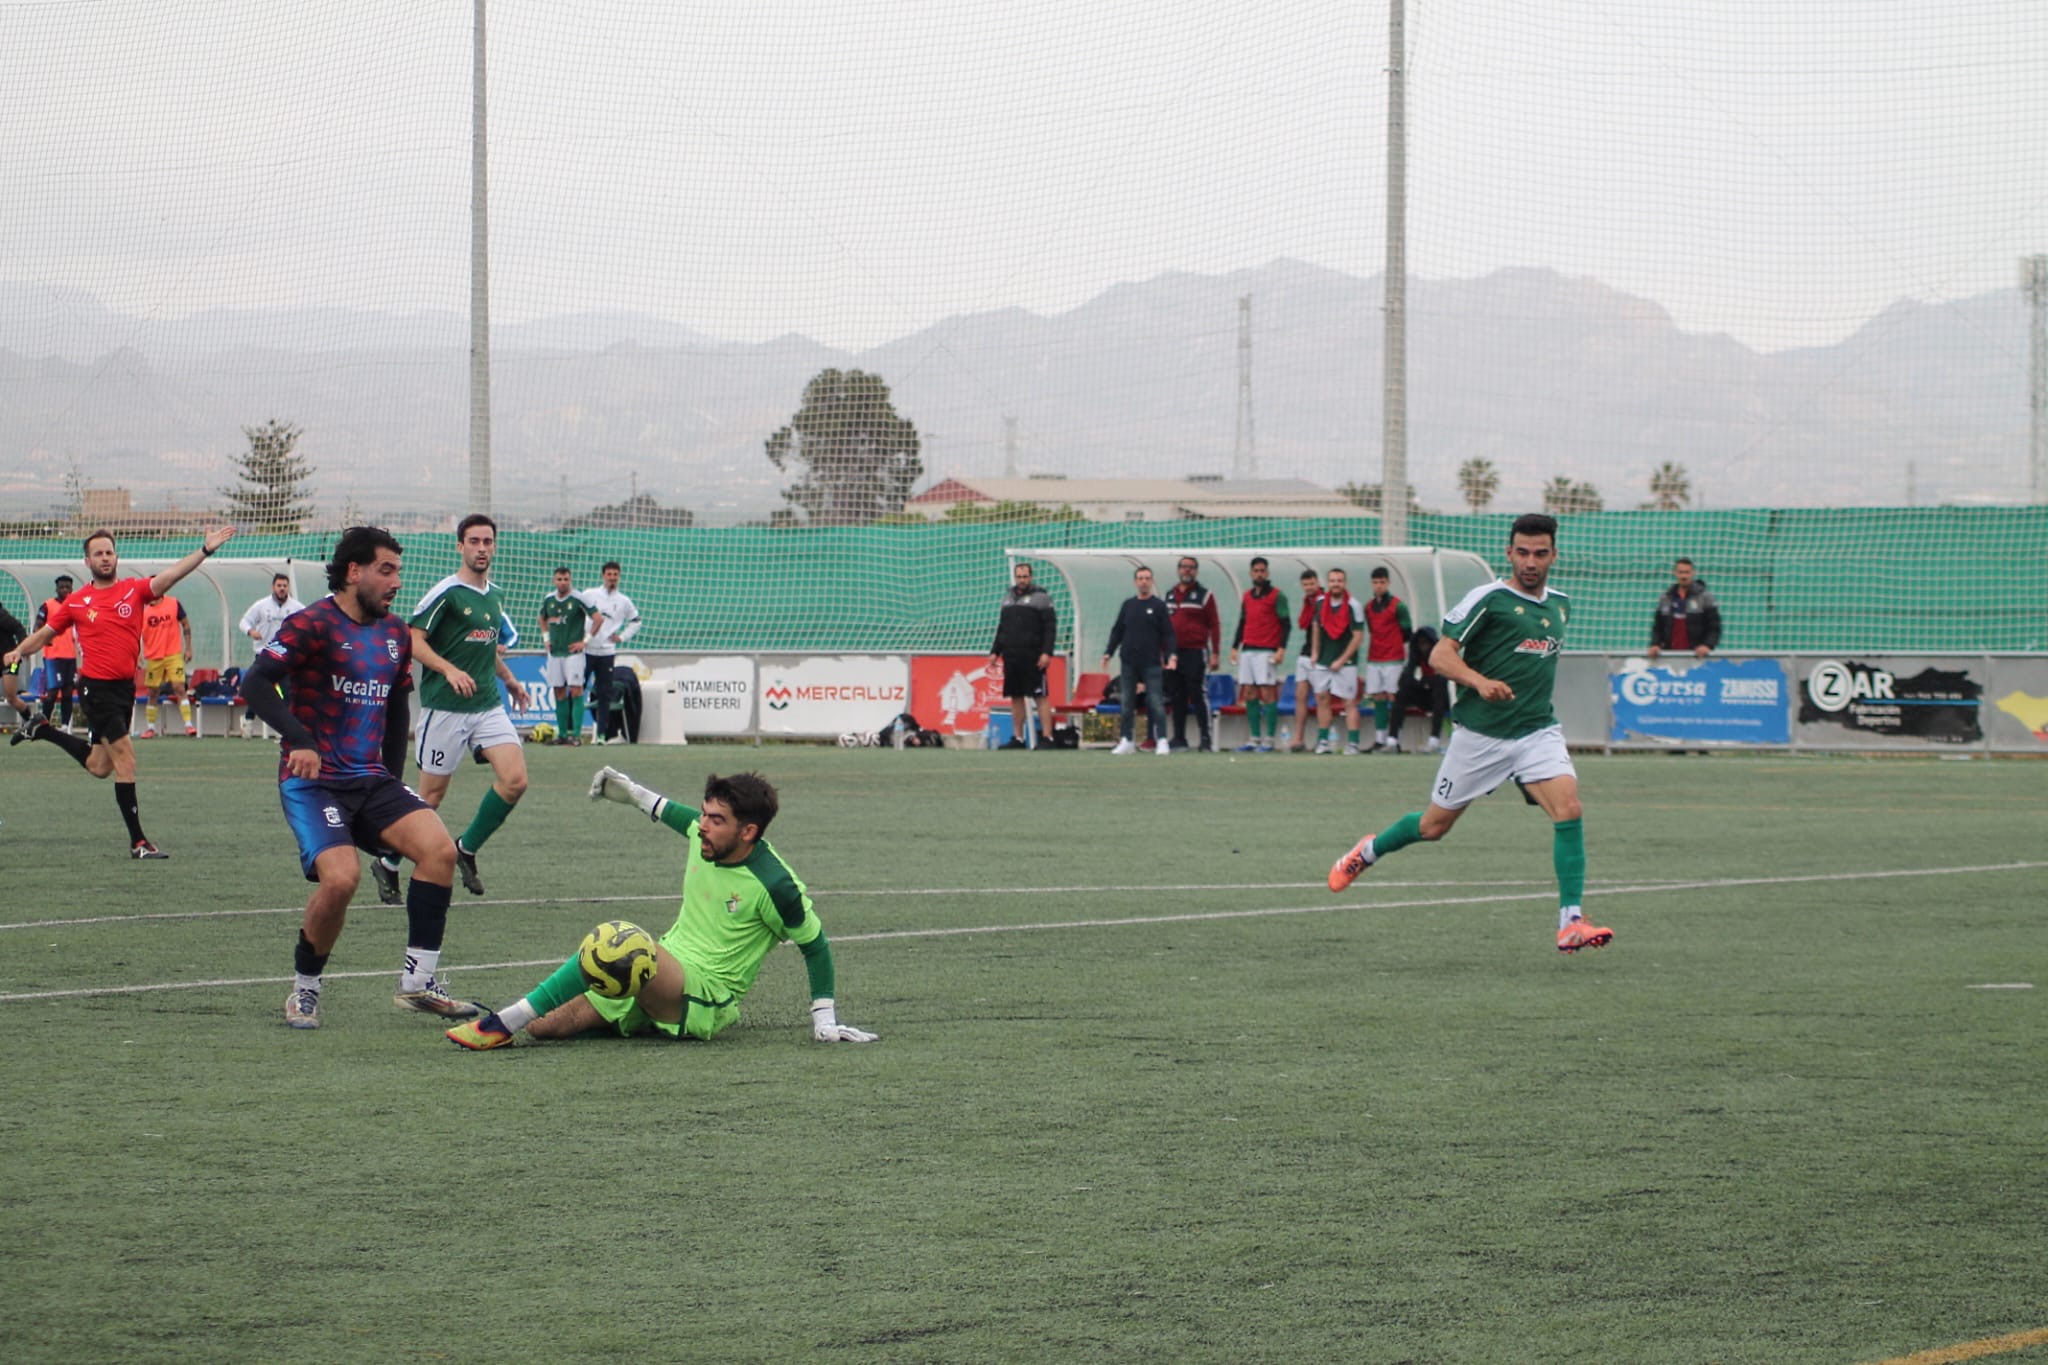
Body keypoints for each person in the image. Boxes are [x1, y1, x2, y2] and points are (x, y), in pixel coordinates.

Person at [1327, 513, 1614, 956]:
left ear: (1554, 555)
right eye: (1523, 552)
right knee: (1433, 827)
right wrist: (1480, 682)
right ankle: (1367, 851)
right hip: (1480, 737)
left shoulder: (1560, 606)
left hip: (1536, 732)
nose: (1530, 562)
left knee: (1569, 809)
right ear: (1509, 553)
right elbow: (1440, 657)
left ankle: (1570, 921)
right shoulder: (1489, 598)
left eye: (1540, 553)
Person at [447, 766, 877, 1050]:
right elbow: (669, 811)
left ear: (748, 832)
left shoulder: (776, 885)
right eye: (704, 815)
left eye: (716, 821)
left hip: (704, 997)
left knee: (622, 941)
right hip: (657, 974)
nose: (702, 826)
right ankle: (630, 1019)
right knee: (544, 1029)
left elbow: (815, 946)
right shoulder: (702, 834)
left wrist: (824, 1018)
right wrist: (631, 793)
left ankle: (503, 1022)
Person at [239, 525, 478, 1029]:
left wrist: (392, 780)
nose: (396, 582)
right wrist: (299, 739)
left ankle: (417, 984)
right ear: (354, 571)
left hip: (372, 780)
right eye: (386, 570)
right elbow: (256, 684)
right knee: (342, 879)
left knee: (440, 852)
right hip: (314, 783)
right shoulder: (311, 624)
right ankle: (305, 989)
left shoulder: (395, 634)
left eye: (398, 571)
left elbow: (396, 710)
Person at [4, 526, 236, 856]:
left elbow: (171, 576)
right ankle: (139, 842)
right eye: (98, 553)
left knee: (100, 767)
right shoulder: (77, 601)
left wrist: (205, 550)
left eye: (109, 552)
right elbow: (44, 635)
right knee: (126, 759)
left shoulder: (133, 590)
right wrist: (19, 651)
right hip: (96, 690)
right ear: (87, 561)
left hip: (123, 690)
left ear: (116, 557)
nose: (104, 558)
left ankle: (43, 729)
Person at [383, 513, 530, 900]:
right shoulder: (446, 593)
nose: (482, 548)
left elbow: (486, 646)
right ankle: (389, 861)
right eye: (474, 541)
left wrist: (510, 680)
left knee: (515, 780)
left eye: (488, 541)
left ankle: (466, 849)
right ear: (460, 546)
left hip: (487, 705)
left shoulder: (495, 596)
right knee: (430, 798)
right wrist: (448, 669)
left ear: (494, 546)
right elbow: (413, 640)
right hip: (445, 709)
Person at [1099, 566, 1176, 756]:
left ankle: (1162, 740)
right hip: (1129, 662)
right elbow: (1118, 630)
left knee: (1155, 701)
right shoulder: (1128, 605)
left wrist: (1171, 655)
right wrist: (1108, 652)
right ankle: (1127, 740)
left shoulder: (1158, 606)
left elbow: (1168, 634)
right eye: (1140, 578)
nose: (1144, 582)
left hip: (1152, 663)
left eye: (1147, 578)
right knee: (1127, 702)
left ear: (1152, 581)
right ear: (1135, 582)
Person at [989, 561, 1056, 749]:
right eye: (1019, 577)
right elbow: (1002, 629)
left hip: (1033, 657)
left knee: (1040, 696)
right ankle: (1018, 738)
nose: (1022, 580)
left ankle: (1047, 737)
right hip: (1012, 656)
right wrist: (995, 651)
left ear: (1031, 577)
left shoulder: (1042, 598)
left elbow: (1050, 628)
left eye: (1025, 576)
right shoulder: (1008, 599)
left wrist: (1046, 652)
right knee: (1016, 696)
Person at [1229, 556, 1289, 752]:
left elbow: (1286, 624)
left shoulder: (1277, 596)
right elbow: (1242, 622)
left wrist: (1281, 649)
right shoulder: (1247, 596)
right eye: (1256, 571)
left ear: (1267, 573)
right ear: (1251, 573)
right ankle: (1254, 738)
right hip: (1248, 649)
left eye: (1262, 571)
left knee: (1268, 692)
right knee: (1249, 692)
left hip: (1267, 650)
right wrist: (1235, 647)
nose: (1259, 574)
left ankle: (1269, 739)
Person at [1164, 556, 1221, 752]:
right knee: (1177, 695)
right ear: (1178, 569)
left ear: (1196, 571)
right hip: (1174, 654)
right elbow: (1164, 625)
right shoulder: (1170, 594)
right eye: (1183, 567)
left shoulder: (1205, 595)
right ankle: (1179, 738)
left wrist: (1215, 653)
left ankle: (1205, 738)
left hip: (1195, 652)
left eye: (1191, 567)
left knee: (1198, 694)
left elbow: (1214, 624)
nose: (1187, 570)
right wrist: (1163, 652)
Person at [580, 560, 642, 744]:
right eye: (609, 574)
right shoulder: (590, 594)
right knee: (578, 690)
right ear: (603, 576)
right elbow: (576, 612)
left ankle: (601, 735)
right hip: (587, 651)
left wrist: (622, 637)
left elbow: (636, 621)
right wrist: (580, 636)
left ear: (619, 577)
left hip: (607, 653)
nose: (612, 578)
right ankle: (572, 732)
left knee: (604, 694)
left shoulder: (623, 601)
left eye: (615, 574)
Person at [238, 573, 304, 739]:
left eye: (285, 586)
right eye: (279, 586)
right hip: (264, 655)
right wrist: (251, 631)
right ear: (273, 587)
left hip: (285, 657)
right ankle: (248, 720)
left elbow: (308, 623)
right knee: (258, 691)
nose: (282, 589)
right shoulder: (261, 605)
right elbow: (244, 622)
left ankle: (286, 730)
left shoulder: (296, 607)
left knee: (288, 693)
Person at [1307, 567, 1365, 755]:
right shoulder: (1320, 603)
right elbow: (1316, 627)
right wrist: (1315, 653)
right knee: (1322, 699)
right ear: (1328, 583)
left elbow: (1358, 636)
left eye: (1339, 580)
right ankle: (1323, 741)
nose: (1336, 584)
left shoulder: (1353, 605)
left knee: (1349, 702)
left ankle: (1353, 743)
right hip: (1323, 660)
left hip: (1346, 664)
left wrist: (1342, 660)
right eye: (1332, 581)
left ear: (1344, 583)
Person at [538, 566, 597, 746]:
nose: (562, 583)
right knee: (559, 691)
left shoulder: (579, 598)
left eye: (566, 579)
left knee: (576, 690)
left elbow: (598, 618)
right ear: (554, 580)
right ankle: (562, 734)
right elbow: (542, 618)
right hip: (555, 653)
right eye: (559, 579)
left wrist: (585, 641)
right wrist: (546, 638)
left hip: (574, 654)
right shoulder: (549, 599)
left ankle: (576, 735)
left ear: (570, 580)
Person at [1362, 566, 1413, 752]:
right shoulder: (1368, 607)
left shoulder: (1398, 606)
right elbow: (1371, 629)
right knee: (1378, 697)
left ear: (1388, 583)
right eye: (1375, 582)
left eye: (1382, 582)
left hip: (1393, 658)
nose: (1379, 586)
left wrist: (1394, 645)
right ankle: (1379, 739)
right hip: (1374, 658)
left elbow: (1407, 632)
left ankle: (1394, 739)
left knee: (1394, 697)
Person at [135, 593, 197, 738]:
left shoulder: (173, 603)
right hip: (153, 657)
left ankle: (188, 725)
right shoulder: (142, 611)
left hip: (173, 654)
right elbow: (135, 634)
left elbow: (185, 624)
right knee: (153, 692)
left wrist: (188, 648)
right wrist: (138, 654)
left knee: (179, 687)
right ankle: (150, 728)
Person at [1647, 557, 1721, 661]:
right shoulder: (1666, 598)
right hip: (1669, 655)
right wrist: (1655, 644)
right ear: (1675, 573)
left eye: (1687, 572)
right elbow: (1657, 627)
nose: (1684, 576)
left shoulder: (1705, 597)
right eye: (1681, 572)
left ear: (1693, 573)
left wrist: (1707, 645)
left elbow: (1714, 626)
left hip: (1697, 656)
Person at [1390, 625, 1449, 754]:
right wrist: (1423, 683)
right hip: (1426, 695)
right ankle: (1392, 740)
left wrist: (1425, 682)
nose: (1424, 647)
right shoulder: (1416, 656)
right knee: (1402, 693)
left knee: (1439, 686)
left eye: (1426, 643)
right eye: (1421, 643)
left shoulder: (1442, 655)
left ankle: (1434, 740)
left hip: (1443, 699)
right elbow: (1404, 679)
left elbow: (1443, 679)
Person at [34, 575, 79, 733]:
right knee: (52, 691)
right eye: (62, 587)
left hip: (70, 656)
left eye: (67, 587)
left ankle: (65, 726)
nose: (65, 590)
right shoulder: (47, 605)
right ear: (57, 589)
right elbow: (38, 626)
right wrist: (42, 638)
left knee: (68, 691)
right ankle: (45, 725)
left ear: (72, 589)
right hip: (53, 656)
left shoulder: (75, 605)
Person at [1285, 569, 1322, 752]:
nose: (1309, 587)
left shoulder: (1324, 601)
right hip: (1305, 653)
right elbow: (1304, 624)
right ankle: (1298, 738)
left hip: (1321, 655)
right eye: (1306, 585)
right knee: (1300, 695)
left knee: (1322, 698)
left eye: (1311, 584)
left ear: (1318, 583)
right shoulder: (1307, 602)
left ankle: (1323, 739)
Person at [1, 602, 32, 740]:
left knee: (11, 697)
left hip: (12, 661)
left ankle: (30, 722)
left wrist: (22, 649)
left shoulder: (2, 616)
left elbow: (19, 628)